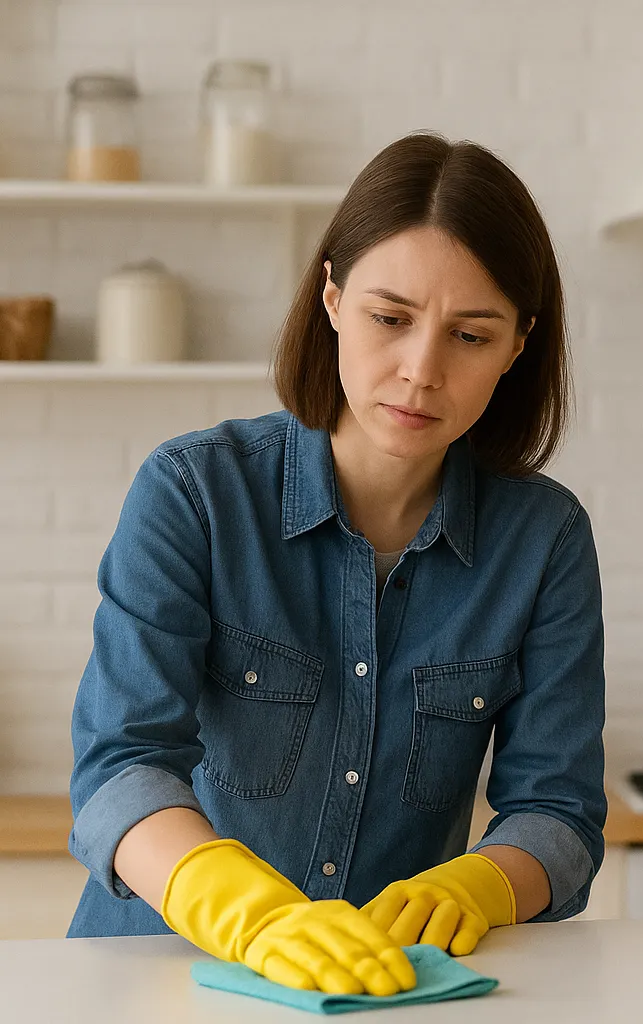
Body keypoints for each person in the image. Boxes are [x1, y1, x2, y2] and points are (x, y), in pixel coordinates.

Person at [66, 132, 605, 997]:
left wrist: (486, 880)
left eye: (470, 334)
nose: (421, 371)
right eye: (390, 318)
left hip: (397, 994)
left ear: (517, 346)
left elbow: (560, 814)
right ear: (332, 299)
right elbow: (119, 768)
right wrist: (244, 910)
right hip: (159, 981)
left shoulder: (545, 540)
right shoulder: (194, 493)